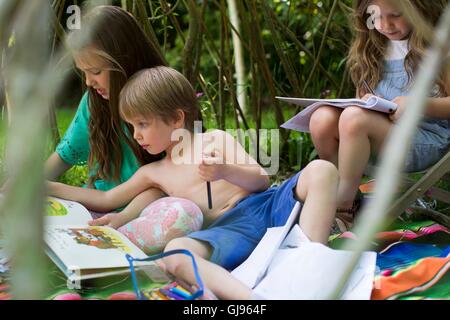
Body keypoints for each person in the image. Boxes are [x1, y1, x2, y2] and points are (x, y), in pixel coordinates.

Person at [47, 66, 339, 299]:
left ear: (176, 119)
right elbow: (106, 201)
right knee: (177, 254)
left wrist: (225, 170)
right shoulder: (155, 172)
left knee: (322, 170)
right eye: (132, 126)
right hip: (230, 229)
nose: (135, 135)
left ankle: (308, 264)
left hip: (266, 205)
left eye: (143, 124)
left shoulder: (214, 140)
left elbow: (260, 181)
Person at [309, 0, 450, 231]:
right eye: (376, 16)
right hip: (379, 136)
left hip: (426, 140)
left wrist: (418, 104)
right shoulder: (372, 47)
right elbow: (362, 102)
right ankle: (351, 200)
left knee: (354, 119)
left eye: (396, 15)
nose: (385, 24)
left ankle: (341, 209)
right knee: (321, 119)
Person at [45, 5, 169, 216]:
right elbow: (64, 156)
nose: (88, 82)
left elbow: (169, 183)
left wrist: (122, 218)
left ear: (125, 60)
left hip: (145, 213)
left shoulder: (162, 99)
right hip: (92, 206)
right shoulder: (95, 103)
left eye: (96, 71)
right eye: (83, 72)